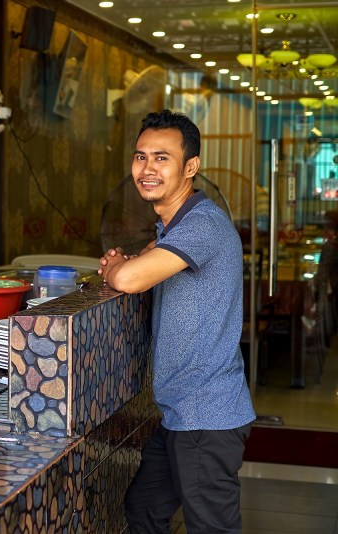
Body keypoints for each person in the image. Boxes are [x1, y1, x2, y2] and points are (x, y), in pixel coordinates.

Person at [99, 109, 255, 533]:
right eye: (141, 156)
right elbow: (142, 262)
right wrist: (125, 264)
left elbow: (129, 277)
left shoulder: (202, 224)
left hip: (206, 415)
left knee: (212, 527)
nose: (147, 168)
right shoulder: (174, 225)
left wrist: (117, 267)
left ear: (190, 167)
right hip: (180, 413)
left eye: (162, 158)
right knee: (145, 508)